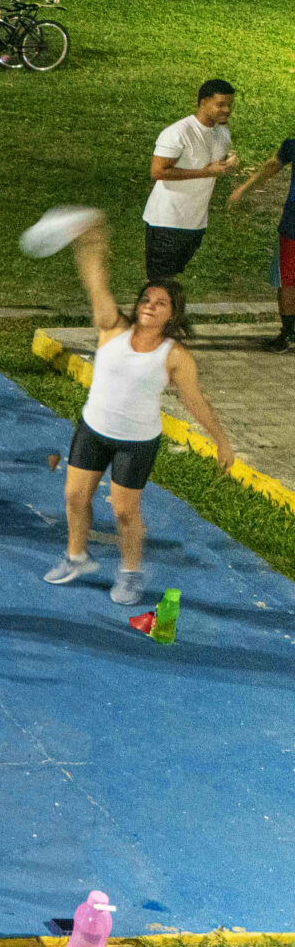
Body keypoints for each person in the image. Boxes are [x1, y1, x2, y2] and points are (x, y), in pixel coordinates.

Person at [45, 220, 237, 604]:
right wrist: (90, 241)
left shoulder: (176, 356)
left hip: (136, 442)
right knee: (74, 497)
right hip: (93, 428)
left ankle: (131, 572)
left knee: (124, 513)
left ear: (172, 314)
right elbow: (95, 281)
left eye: (159, 303)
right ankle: (76, 556)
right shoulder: (112, 328)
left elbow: (195, 401)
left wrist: (222, 442)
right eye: (146, 300)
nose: (149, 307)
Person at [142, 79, 238, 283]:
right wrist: (206, 172)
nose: (227, 110)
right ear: (202, 102)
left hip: (195, 222)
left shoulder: (222, 133)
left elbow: (212, 163)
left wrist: (226, 163)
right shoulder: (178, 133)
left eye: (230, 104)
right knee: (158, 283)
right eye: (220, 104)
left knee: (169, 281)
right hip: (167, 220)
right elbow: (158, 171)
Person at [226, 129, 295, 351]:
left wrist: (243, 189)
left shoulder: (292, 144)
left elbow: (272, 166)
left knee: (288, 278)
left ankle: (288, 334)